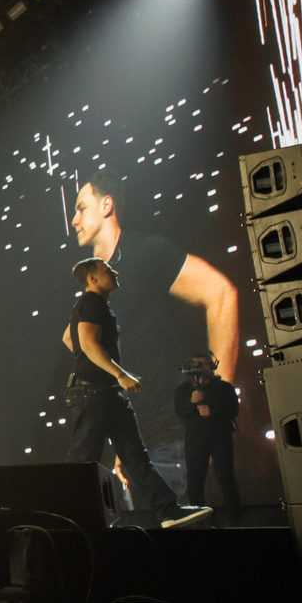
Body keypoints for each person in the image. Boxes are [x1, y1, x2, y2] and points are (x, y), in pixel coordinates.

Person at [71, 170, 244, 488]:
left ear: (106, 205)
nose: (74, 220)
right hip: (136, 447)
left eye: (81, 208)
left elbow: (220, 295)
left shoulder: (143, 252)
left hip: (171, 439)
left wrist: (216, 405)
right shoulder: (95, 286)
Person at [60, 258, 210, 529]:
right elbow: (86, 342)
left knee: (135, 457)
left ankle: (167, 511)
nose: (115, 272)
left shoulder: (91, 305)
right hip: (95, 395)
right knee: (84, 462)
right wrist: (118, 373)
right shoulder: (92, 303)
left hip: (106, 394)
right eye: (108, 271)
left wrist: (91, 362)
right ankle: (64, 521)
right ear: (92, 278)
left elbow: (69, 339)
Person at [177, 355, 243, 515]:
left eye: (203, 364)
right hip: (195, 439)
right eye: (195, 363)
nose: (199, 367)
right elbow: (180, 412)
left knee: (225, 477)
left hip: (220, 437)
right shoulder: (184, 389)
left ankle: (234, 519)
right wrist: (192, 403)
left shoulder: (224, 388)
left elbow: (234, 410)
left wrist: (212, 411)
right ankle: (199, 520)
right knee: (195, 480)